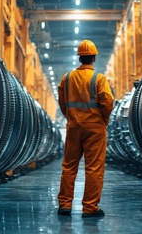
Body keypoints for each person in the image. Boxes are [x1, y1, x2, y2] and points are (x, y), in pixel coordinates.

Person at [57, 39, 115, 218]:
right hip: (95, 129)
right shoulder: (99, 78)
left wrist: (71, 118)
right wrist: (103, 118)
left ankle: (65, 205)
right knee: (94, 168)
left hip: (73, 127)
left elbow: (62, 102)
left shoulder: (66, 78)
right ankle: (90, 208)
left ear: (79, 58)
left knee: (69, 166)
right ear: (94, 58)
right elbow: (108, 101)